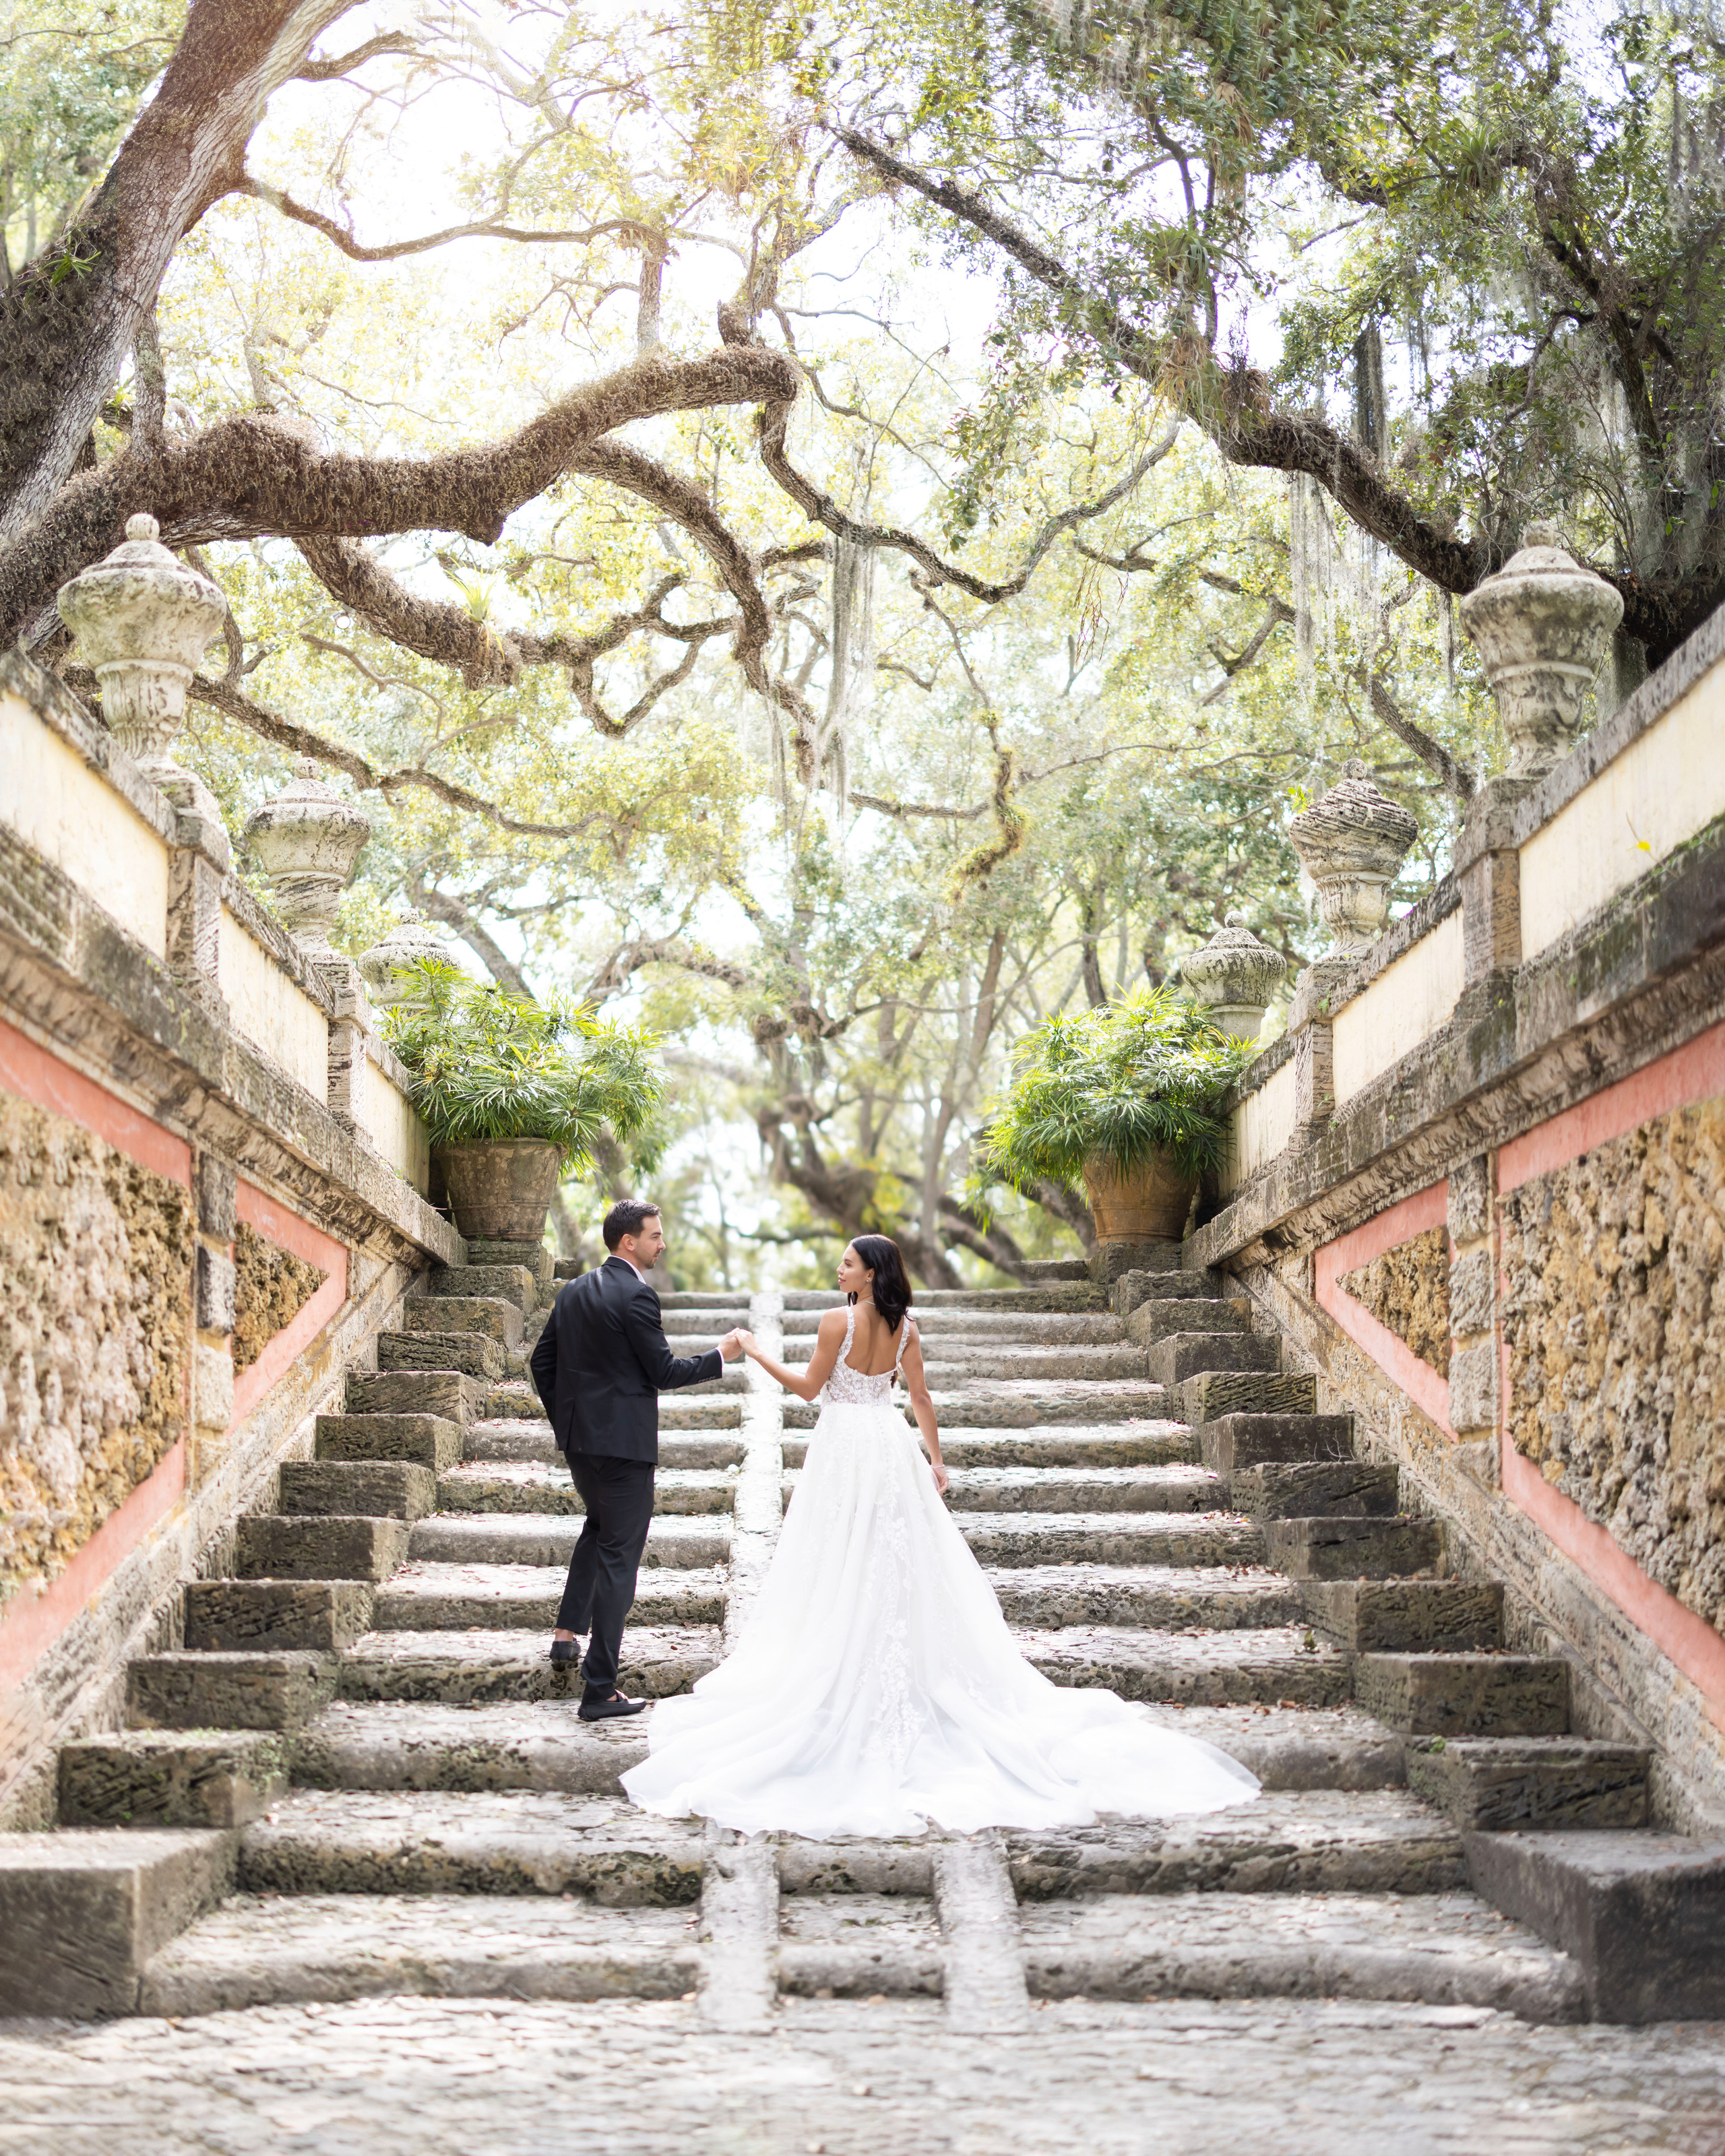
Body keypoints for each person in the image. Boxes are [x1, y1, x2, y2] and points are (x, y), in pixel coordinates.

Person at [623, 1233, 1260, 1835]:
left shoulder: (835, 1322)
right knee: (895, 1559)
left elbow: (811, 1391)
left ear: (871, 1272)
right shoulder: (906, 1329)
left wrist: (758, 1352)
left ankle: (842, 1661)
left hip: (844, 1446)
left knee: (839, 1556)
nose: (839, 1269)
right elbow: (920, 1399)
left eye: (848, 1262)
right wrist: (935, 1458)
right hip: (888, 1444)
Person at [529, 1198, 745, 1721]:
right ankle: (599, 1688)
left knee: (597, 1528)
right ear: (629, 1241)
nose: (661, 1243)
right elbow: (664, 1372)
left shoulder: (574, 1291)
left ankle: (565, 1635)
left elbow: (541, 1362)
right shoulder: (638, 1298)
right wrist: (722, 1357)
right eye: (654, 1235)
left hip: (582, 1444)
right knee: (619, 1559)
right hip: (625, 1449)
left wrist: (570, 1424)